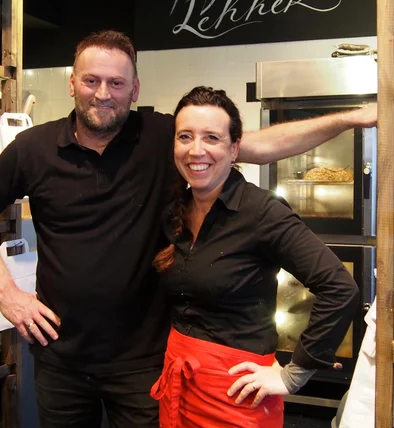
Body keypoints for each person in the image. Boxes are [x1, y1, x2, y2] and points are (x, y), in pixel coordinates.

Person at [0, 30, 379, 428]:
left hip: (146, 362)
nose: (103, 93)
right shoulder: (33, 149)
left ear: (134, 90)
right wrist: (7, 294)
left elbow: (262, 145)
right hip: (60, 359)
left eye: (117, 83)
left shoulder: (164, 137)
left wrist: (353, 119)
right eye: (91, 80)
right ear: (72, 83)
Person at [150, 86, 358, 427]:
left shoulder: (262, 212)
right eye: (185, 136)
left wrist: (294, 374)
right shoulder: (176, 210)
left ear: (234, 148)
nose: (196, 150)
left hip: (239, 394)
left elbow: (340, 288)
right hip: (180, 387)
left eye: (212, 138)